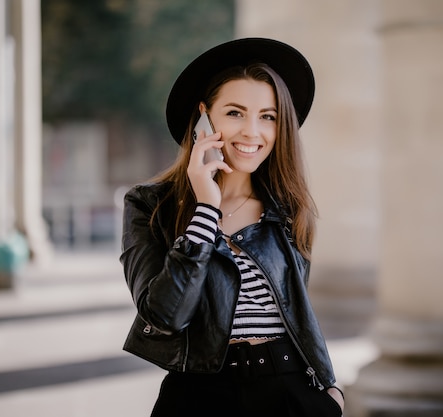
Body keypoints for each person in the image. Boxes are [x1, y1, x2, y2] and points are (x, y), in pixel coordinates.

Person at [120, 37, 344, 417]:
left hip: (289, 390)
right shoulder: (148, 205)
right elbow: (164, 316)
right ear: (204, 116)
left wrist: (331, 391)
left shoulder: (287, 208)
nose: (252, 132)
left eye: (268, 116)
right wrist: (206, 207)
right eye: (236, 113)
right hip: (199, 394)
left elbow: (298, 311)